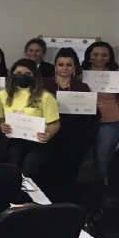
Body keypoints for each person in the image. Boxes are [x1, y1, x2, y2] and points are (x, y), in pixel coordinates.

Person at [0, 59, 60, 183]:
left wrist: (49, 133)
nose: (22, 76)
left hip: (36, 143)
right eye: (18, 73)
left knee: (28, 176)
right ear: (12, 74)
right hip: (13, 141)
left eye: (27, 73)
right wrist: (2, 124)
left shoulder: (45, 96)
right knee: (11, 174)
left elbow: (55, 123)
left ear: (34, 76)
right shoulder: (3, 94)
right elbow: (0, 117)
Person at [43, 48, 97, 202]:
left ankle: (67, 205)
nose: (64, 68)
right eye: (60, 64)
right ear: (55, 65)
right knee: (48, 170)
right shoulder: (44, 84)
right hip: (50, 134)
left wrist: (92, 106)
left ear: (74, 67)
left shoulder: (82, 87)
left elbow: (90, 116)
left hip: (75, 136)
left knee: (70, 172)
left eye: (68, 65)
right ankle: (47, 204)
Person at [81, 42, 119, 183]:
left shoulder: (117, 78)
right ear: (89, 56)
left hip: (109, 122)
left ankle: (99, 189)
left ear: (109, 58)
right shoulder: (79, 75)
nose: (99, 58)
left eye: (104, 55)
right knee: (81, 158)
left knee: (102, 161)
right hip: (84, 122)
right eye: (95, 54)